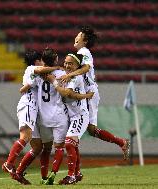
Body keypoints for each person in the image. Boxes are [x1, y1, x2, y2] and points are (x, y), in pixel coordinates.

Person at [14, 48, 93, 185]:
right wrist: (86, 95)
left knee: (45, 148)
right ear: (56, 58)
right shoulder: (63, 74)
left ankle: (43, 176)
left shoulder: (39, 74)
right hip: (58, 115)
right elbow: (68, 93)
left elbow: (25, 88)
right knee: (62, 147)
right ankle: (56, 174)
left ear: (43, 60)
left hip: (42, 117)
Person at [60, 26, 130, 161]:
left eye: (78, 35)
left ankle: (74, 171)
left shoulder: (84, 51)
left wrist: (70, 75)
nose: (76, 37)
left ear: (84, 41)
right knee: (90, 129)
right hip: (86, 92)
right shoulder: (81, 52)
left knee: (78, 125)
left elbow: (86, 67)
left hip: (89, 93)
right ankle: (121, 142)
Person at [1, 50, 60, 184]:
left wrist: (25, 86)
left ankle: (19, 173)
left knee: (37, 147)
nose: (43, 63)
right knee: (25, 137)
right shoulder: (32, 68)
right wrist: (57, 67)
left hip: (34, 110)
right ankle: (9, 163)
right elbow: (36, 74)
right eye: (41, 60)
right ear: (36, 61)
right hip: (28, 105)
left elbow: (24, 88)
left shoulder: (36, 74)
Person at [47, 53, 90, 185]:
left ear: (77, 66)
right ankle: (77, 174)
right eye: (65, 62)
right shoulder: (66, 76)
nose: (67, 65)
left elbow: (67, 93)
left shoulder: (75, 77)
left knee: (69, 143)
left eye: (70, 63)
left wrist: (54, 81)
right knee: (73, 146)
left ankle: (71, 176)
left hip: (80, 115)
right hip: (72, 116)